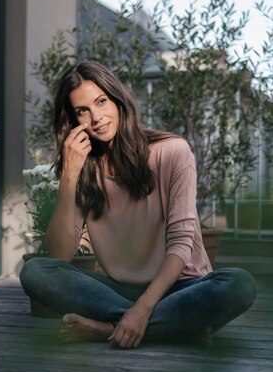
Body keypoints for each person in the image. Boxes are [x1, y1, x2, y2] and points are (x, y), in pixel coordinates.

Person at [20, 61, 257, 349]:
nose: (96, 117)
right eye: (83, 110)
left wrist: (143, 308)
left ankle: (110, 328)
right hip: (120, 292)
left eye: (101, 101)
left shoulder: (172, 152)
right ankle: (175, 328)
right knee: (35, 272)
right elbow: (59, 255)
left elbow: (182, 244)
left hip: (181, 287)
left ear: (118, 100)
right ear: (73, 119)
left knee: (238, 284)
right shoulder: (83, 167)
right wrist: (69, 176)